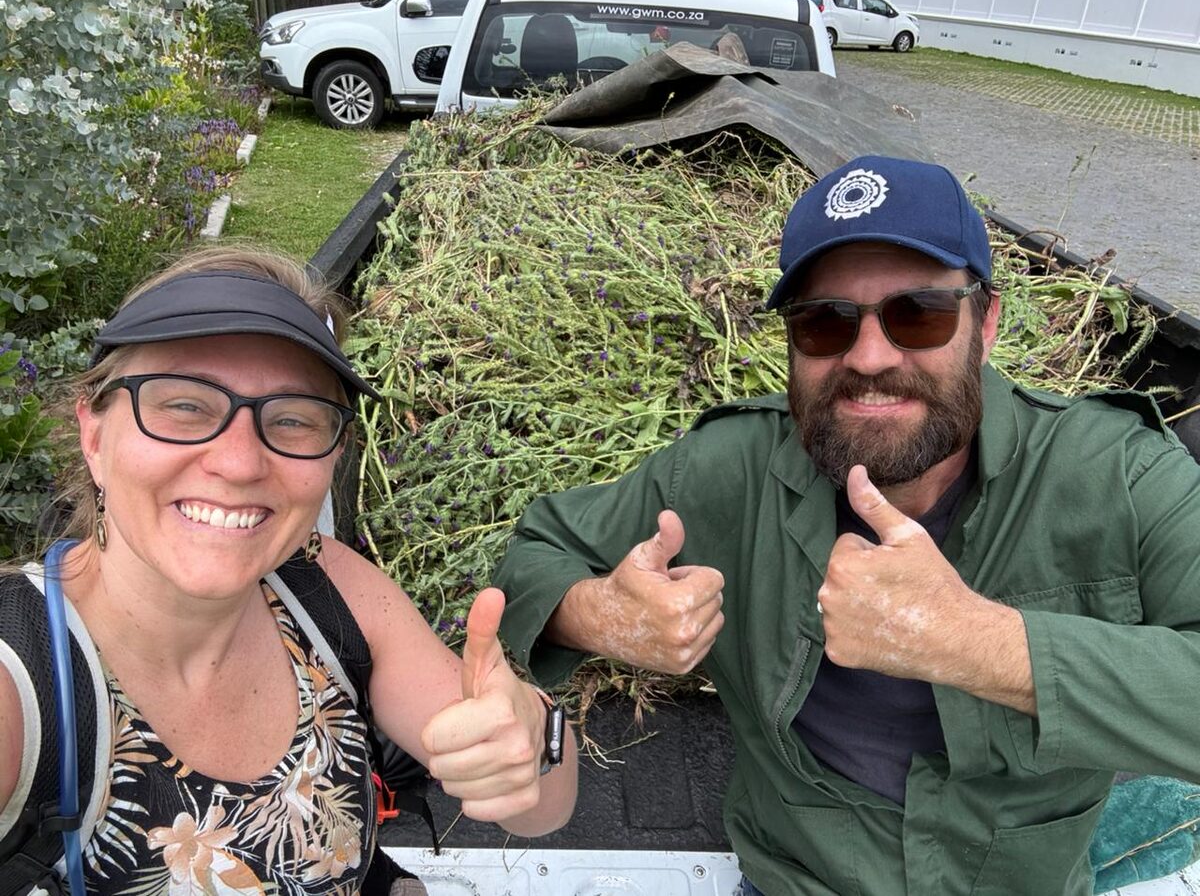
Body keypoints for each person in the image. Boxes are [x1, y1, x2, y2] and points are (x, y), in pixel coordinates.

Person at [493, 155, 1200, 894]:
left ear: (985, 324)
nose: (868, 357)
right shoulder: (727, 471)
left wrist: (977, 643)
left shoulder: (1119, 475)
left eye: (917, 313)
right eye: (826, 322)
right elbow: (537, 553)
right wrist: (597, 615)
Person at [0, 247, 577, 895]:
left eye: (294, 418)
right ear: (95, 436)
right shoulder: (17, 684)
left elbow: (542, 809)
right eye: (186, 406)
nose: (241, 463)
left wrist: (529, 735)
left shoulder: (326, 586)